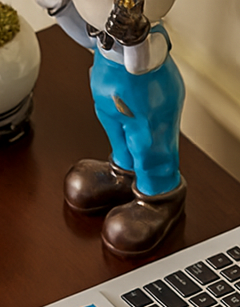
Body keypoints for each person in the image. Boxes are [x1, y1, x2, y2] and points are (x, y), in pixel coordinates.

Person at [35, 0, 185, 256]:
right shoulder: (100, 30)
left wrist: (134, 36)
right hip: (109, 94)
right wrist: (58, 6)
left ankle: (159, 195)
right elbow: (85, 36)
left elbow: (139, 65)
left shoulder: (155, 36)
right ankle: (122, 172)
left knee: (147, 145)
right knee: (119, 137)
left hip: (148, 102)